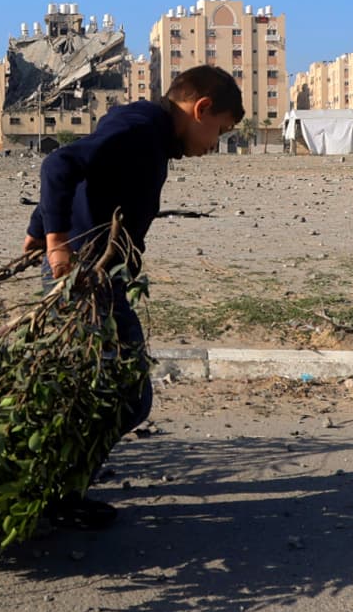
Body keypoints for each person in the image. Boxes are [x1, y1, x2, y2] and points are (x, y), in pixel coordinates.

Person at [20, 65, 243, 528]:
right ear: (200, 109)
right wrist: (55, 242)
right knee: (125, 394)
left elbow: (85, 172)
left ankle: (55, 487)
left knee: (94, 388)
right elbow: (59, 164)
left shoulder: (145, 128)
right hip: (84, 278)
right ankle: (57, 492)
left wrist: (38, 230)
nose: (213, 145)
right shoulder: (140, 129)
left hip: (97, 274)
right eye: (218, 131)